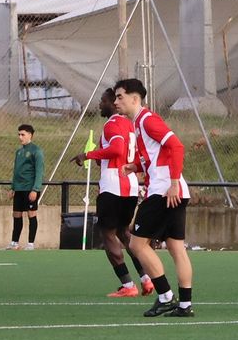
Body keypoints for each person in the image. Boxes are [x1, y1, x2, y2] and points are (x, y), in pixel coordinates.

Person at [115, 78, 196, 317]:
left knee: (137, 244)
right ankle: (184, 305)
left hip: (164, 191)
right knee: (175, 247)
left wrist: (172, 184)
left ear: (134, 98)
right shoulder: (139, 123)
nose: (116, 101)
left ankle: (166, 296)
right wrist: (135, 167)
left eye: (120, 96)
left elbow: (176, 147)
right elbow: (157, 155)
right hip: (174, 190)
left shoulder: (147, 120)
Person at [73, 87, 154, 298]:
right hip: (129, 185)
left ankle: (128, 285)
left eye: (103, 101)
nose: (100, 104)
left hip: (112, 186)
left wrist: (87, 154)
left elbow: (117, 149)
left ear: (111, 103)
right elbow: (123, 152)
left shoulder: (111, 125)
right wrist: (99, 156)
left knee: (108, 234)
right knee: (124, 233)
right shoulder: (129, 124)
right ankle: (146, 280)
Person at [10, 123, 45, 250]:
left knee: (31, 215)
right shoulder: (19, 152)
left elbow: (39, 172)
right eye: (19, 134)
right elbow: (16, 170)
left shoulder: (37, 151)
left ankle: (31, 244)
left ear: (30, 135)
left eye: (23, 134)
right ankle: (14, 243)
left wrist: (35, 189)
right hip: (18, 189)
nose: (20, 137)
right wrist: (13, 187)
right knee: (16, 215)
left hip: (30, 189)